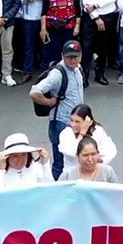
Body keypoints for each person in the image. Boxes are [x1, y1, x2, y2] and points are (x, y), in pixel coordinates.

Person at [29, 39, 85, 179]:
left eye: (76, 56)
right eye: (69, 57)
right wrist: (49, 102)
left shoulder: (78, 69)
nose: (73, 60)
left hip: (77, 123)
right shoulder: (57, 74)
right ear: (62, 55)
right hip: (61, 123)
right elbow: (34, 92)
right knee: (60, 164)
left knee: (75, 160)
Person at [55, 103, 118, 177]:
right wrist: (82, 133)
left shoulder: (98, 131)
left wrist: (101, 161)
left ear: (87, 121)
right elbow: (73, 152)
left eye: (77, 122)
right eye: (71, 120)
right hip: (73, 176)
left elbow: (111, 150)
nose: (73, 124)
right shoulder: (66, 133)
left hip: (95, 175)